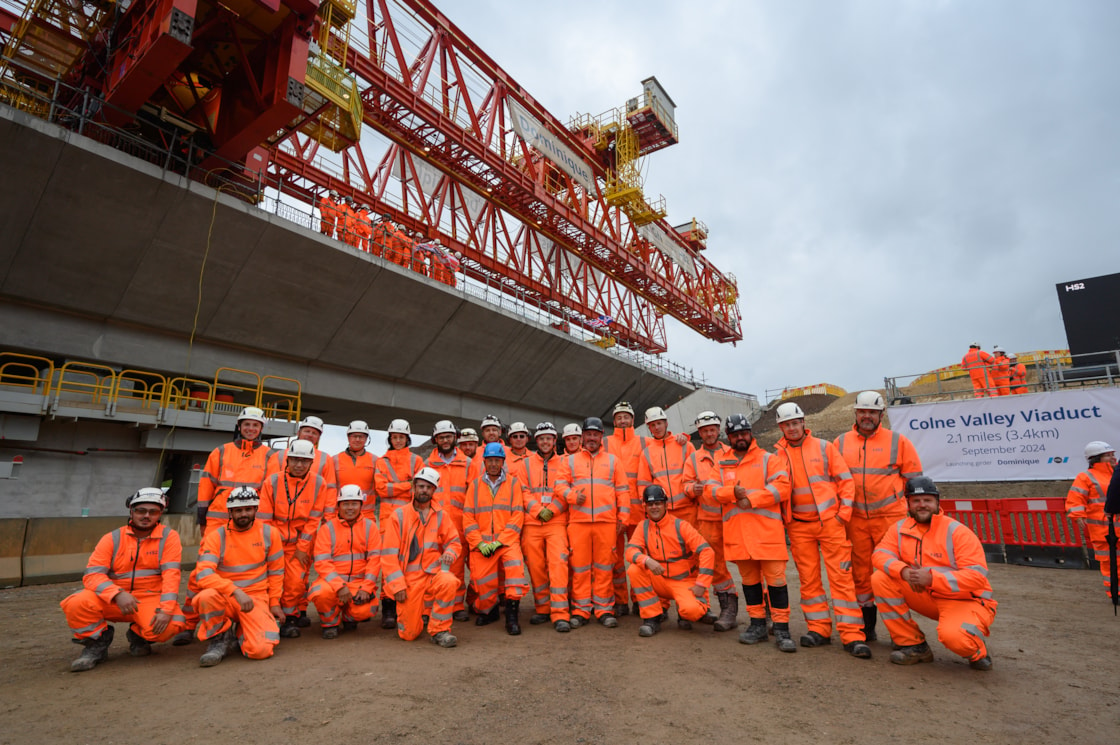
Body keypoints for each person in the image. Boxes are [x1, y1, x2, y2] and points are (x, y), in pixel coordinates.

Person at [772, 403, 871, 658]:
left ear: (803, 423)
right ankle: (819, 629)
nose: (791, 428)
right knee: (809, 581)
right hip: (798, 527)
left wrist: (842, 516)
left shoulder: (824, 448)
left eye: (795, 423)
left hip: (831, 524)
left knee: (841, 579)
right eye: (786, 425)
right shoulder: (776, 457)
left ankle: (852, 635)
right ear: (780, 427)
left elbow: (845, 482)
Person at [872, 477, 997, 670]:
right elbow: (880, 554)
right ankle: (913, 645)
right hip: (928, 596)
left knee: (956, 639)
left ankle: (976, 649)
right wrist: (903, 571)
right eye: (916, 500)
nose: (922, 505)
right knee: (881, 578)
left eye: (927, 500)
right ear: (908, 503)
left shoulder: (957, 532)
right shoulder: (899, 528)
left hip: (963, 600)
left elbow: (976, 578)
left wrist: (932, 578)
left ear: (937, 502)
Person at [60, 488, 187, 672]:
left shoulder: (169, 537)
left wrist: (166, 610)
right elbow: (92, 575)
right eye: (140, 510)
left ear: (160, 514)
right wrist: (117, 594)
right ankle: (96, 644)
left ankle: (138, 635)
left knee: (171, 624)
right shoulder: (112, 538)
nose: (146, 516)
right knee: (76, 603)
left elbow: (171, 576)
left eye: (153, 512)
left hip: (148, 598)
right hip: (114, 599)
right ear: (131, 511)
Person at [176, 405, 272, 644]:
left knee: (252, 570)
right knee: (203, 571)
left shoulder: (269, 455)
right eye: (247, 424)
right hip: (218, 520)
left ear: (261, 429)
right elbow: (206, 484)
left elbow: (271, 491)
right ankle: (189, 623)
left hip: (252, 520)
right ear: (239, 427)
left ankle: (244, 618)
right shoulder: (221, 452)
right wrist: (201, 518)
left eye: (255, 425)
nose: (251, 429)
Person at [834, 391, 924, 643]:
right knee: (860, 575)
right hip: (856, 520)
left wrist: (916, 515)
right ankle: (866, 628)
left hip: (890, 519)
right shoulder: (840, 443)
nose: (866, 416)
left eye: (872, 412)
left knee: (893, 572)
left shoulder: (898, 441)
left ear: (881, 415)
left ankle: (901, 633)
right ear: (855, 413)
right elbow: (834, 480)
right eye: (862, 411)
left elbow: (914, 480)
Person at [715, 413, 795, 653]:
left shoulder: (768, 459)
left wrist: (752, 499)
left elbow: (783, 487)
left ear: (751, 433)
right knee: (750, 583)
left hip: (767, 535)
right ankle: (757, 625)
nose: (741, 438)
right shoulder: (722, 462)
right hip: (739, 535)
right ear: (729, 437)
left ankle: (781, 628)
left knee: (777, 583)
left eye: (744, 433)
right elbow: (710, 490)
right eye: (736, 435)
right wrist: (731, 493)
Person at [193, 486, 285, 667]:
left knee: (260, 651)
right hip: (225, 597)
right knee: (205, 597)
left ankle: (241, 632)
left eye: (248, 509)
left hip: (255, 598)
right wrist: (234, 590)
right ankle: (219, 639)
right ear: (230, 512)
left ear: (256, 510)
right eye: (238, 510)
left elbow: (276, 572)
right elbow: (203, 574)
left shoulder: (269, 533)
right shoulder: (216, 536)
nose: (243, 514)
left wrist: (274, 603)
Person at [555, 417, 630, 628]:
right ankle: (581, 610)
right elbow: (559, 486)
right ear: (583, 437)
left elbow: (623, 491)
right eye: (588, 434)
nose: (591, 438)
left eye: (595, 434)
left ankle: (604, 609)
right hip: (578, 523)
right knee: (579, 569)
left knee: (604, 568)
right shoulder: (569, 461)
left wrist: (623, 518)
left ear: (601, 437)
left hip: (606, 524)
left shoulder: (613, 461)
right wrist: (571, 496)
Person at [258, 439, 332, 638]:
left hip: (299, 543)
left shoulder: (319, 483)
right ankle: (268, 615)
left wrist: (302, 547)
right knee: (269, 581)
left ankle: (290, 618)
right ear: (287, 460)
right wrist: (272, 545)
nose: (299, 465)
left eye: (304, 461)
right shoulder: (271, 481)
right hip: (274, 541)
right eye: (295, 460)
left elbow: (314, 518)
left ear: (311, 463)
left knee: (295, 583)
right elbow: (264, 517)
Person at [379, 468, 461, 647]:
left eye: (428, 487)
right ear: (414, 488)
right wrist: (397, 586)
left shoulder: (441, 515)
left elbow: (454, 541)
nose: (424, 490)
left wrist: (449, 553)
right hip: (409, 580)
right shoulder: (398, 516)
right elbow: (388, 556)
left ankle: (440, 630)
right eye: (421, 486)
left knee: (449, 581)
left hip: (433, 574)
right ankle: (419, 614)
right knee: (409, 634)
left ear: (434, 491)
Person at [625, 485, 715, 637]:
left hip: (684, 581)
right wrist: (646, 560)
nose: (654, 507)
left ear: (666, 505)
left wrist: (701, 584)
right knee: (634, 569)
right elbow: (630, 551)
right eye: (650, 504)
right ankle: (652, 618)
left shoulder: (681, 526)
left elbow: (707, 551)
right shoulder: (643, 526)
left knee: (692, 612)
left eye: (658, 503)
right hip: (660, 580)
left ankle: (695, 607)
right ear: (645, 507)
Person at [463, 442, 528, 635]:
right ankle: (489, 611)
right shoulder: (475, 485)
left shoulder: (513, 483)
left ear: (502, 462)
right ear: (484, 461)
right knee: (482, 580)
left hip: (507, 542)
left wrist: (502, 540)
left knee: (515, 572)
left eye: (497, 460)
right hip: (483, 544)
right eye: (490, 460)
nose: (493, 464)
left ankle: (512, 616)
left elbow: (518, 514)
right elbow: (468, 517)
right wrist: (478, 543)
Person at [681, 411, 737, 630]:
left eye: (712, 429)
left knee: (750, 564)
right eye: (704, 431)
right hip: (708, 519)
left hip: (736, 518)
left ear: (718, 430)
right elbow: (684, 484)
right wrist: (690, 489)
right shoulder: (693, 458)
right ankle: (728, 610)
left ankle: (764, 611)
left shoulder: (731, 453)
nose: (709, 433)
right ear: (700, 433)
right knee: (716, 565)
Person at [514, 422, 571, 632]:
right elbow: (523, 491)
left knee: (558, 566)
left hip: (556, 522)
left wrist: (553, 510)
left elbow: (566, 490)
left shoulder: (565, 463)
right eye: (541, 438)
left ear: (555, 441)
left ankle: (560, 614)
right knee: (536, 568)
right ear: (536, 441)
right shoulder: (525, 464)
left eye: (549, 438)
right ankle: (543, 608)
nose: (545, 441)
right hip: (532, 523)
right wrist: (538, 511)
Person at [308, 484, 380, 638]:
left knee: (367, 610)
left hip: (358, 583)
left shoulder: (371, 527)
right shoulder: (327, 529)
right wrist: (339, 586)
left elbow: (375, 560)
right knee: (321, 593)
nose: (350, 508)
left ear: (361, 505)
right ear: (338, 506)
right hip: (332, 582)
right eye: (345, 504)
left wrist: (366, 588)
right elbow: (322, 562)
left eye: (354, 503)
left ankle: (348, 617)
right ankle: (330, 623)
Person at [426, 420, 479, 621]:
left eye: (448, 436)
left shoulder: (468, 464)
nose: (445, 440)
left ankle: (456, 605)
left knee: (455, 566)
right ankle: (431, 604)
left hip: (459, 524)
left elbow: (474, 496)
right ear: (435, 440)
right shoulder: (428, 465)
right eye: (442, 437)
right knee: (431, 565)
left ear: (454, 438)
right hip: (433, 524)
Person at [1066, 441, 1116, 597]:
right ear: (1096, 458)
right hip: (1103, 529)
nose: (1112, 457)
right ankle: (1115, 593)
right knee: (1110, 563)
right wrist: (1078, 515)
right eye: (1108, 455)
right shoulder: (1086, 477)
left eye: (1113, 454)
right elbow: (1075, 498)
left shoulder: (1117, 474)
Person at [332, 421, 376, 519]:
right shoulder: (334, 460)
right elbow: (329, 491)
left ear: (366, 438)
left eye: (361, 436)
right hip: (340, 515)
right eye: (354, 436)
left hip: (366, 516)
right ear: (348, 437)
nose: (357, 439)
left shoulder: (376, 461)